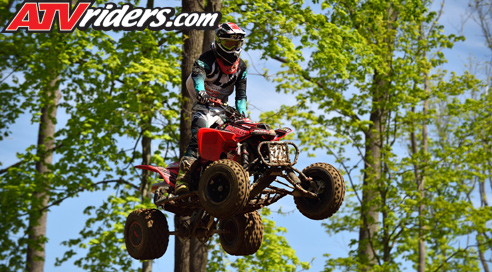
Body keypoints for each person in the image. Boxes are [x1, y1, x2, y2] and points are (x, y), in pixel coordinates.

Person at [174, 22, 248, 194]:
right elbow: (198, 77)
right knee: (199, 137)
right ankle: (182, 179)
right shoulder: (206, 60)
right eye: (230, 43)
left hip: (224, 109)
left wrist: (242, 114)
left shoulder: (241, 67)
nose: (234, 48)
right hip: (204, 106)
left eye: (237, 44)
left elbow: (241, 95)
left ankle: (240, 175)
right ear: (220, 42)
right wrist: (201, 92)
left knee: (239, 138)